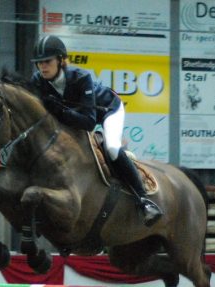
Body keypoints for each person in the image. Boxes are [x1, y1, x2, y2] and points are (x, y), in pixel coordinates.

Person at [30, 35, 163, 227]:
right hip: (75, 117)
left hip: (108, 110)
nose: (43, 67)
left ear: (60, 60)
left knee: (111, 148)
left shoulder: (80, 77)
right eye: (39, 63)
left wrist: (60, 110)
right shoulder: (37, 81)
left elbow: (89, 122)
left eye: (47, 61)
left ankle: (143, 201)